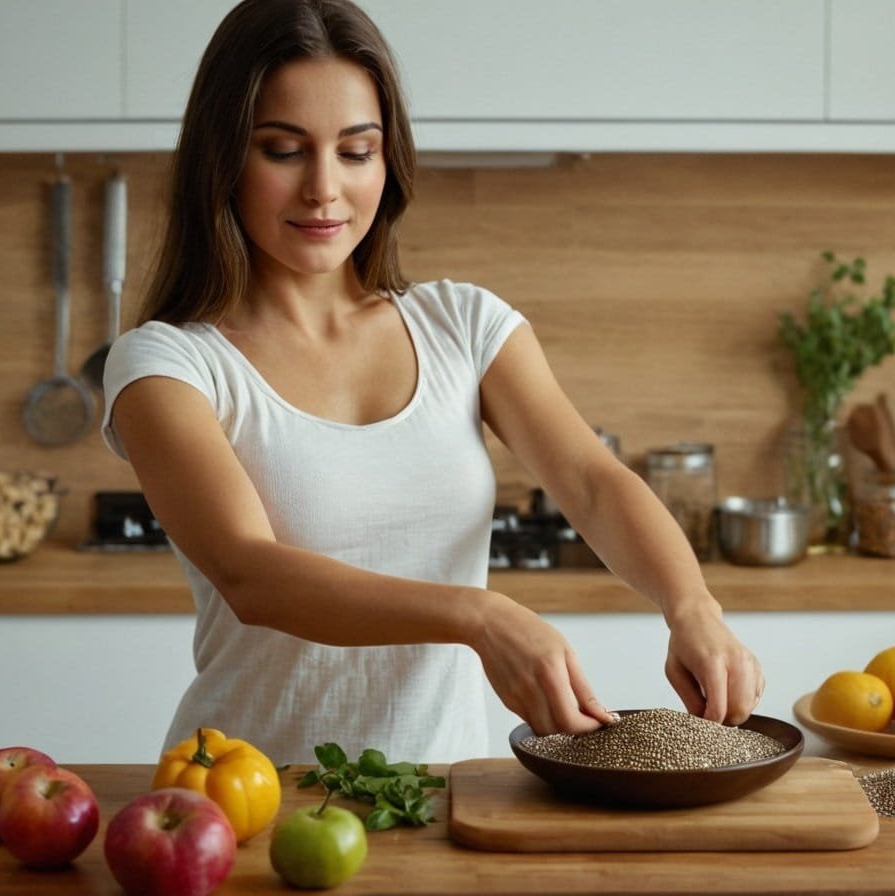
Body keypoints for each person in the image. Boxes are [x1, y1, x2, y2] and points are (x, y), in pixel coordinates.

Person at [102, 0, 764, 765]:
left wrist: (693, 605)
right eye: (283, 150)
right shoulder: (167, 363)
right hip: (245, 800)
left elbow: (590, 480)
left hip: (443, 797)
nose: (324, 188)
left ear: (389, 161)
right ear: (222, 160)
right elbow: (251, 574)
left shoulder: (464, 324)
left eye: (356, 151)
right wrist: (477, 615)